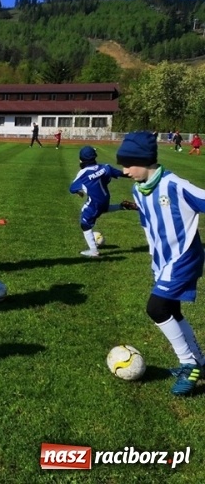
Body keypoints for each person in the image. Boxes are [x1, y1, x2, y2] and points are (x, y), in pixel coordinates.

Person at [117, 131, 205, 396]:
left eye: (128, 164)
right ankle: (200, 362)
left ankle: (188, 364)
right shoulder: (138, 188)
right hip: (164, 259)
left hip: (184, 257)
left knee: (156, 308)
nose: (124, 170)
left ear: (145, 161)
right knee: (172, 311)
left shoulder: (173, 185)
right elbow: (150, 221)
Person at [69, 146, 136, 257]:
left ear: (81, 160)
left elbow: (72, 188)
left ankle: (93, 251)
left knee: (85, 223)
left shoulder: (83, 174)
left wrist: (79, 192)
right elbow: (120, 173)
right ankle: (122, 206)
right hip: (105, 198)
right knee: (101, 208)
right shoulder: (105, 167)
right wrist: (133, 175)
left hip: (95, 202)